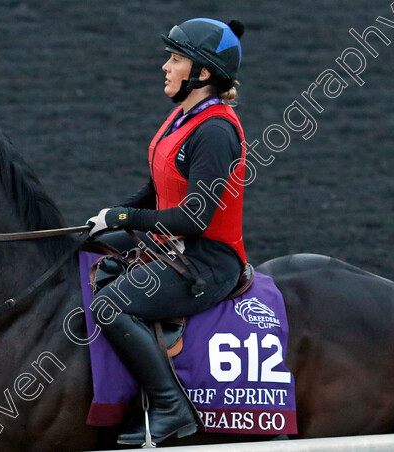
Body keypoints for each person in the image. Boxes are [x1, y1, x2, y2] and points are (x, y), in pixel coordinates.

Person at [85, 18, 248, 445]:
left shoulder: (214, 131)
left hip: (206, 260)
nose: (165, 67)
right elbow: (157, 189)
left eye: (175, 59)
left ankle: (171, 408)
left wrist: (125, 220)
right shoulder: (185, 116)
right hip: (170, 244)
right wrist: (110, 216)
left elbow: (194, 217)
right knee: (80, 250)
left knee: (109, 305)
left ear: (204, 72)